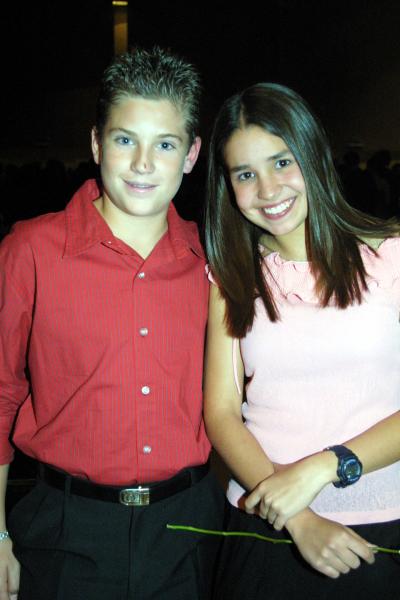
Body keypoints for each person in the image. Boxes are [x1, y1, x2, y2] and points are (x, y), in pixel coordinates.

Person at [0, 46, 225, 600]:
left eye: (165, 144)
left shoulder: (213, 258)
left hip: (188, 529)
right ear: (97, 142)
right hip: (65, 531)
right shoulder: (31, 249)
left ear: (191, 155)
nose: (144, 164)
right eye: (126, 139)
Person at [203, 82, 400, 599]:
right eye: (246, 174)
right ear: (228, 186)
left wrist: (323, 467)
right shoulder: (230, 277)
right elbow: (221, 413)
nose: (268, 190)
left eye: (282, 162)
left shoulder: (392, 257)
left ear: (312, 155)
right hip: (266, 525)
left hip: (383, 524)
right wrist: (299, 519)